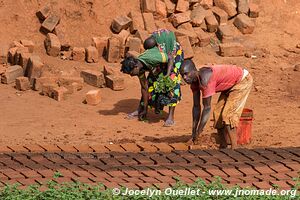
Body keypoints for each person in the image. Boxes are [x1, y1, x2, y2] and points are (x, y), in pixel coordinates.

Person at [180, 60, 253, 149]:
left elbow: (206, 108)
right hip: (229, 85)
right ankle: (223, 146)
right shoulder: (194, 82)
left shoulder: (205, 79)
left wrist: (198, 133)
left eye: (186, 74)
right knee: (217, 114)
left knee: (228, 115)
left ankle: (234, 148)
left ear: (194, 70)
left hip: (242, 80)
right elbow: (196, 107)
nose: (184, 77)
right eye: (182, 75)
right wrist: (193, 132)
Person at [121, 36, 184, 126]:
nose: (131, 75)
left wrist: (167, 74)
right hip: (161, 58)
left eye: (131, 73)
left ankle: (170, 117)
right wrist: (145, 109)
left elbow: (170, 58)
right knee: (151, 80)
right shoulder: (139, 69)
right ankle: (141, 109)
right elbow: (144, 88)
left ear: (135, 67)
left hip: (173, 52)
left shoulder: (150, 58)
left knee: (172, 81)